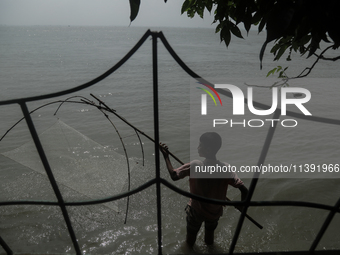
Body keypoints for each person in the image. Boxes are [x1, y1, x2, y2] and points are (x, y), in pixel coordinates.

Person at [159, 132, 248, 247]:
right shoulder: (226, 168)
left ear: (208, 149)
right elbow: (244, 190)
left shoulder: (196, 165)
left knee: (190, 241)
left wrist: (166, 156)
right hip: (214, 212)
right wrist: (241, 206)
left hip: (196, 211)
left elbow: (174, 176)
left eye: (200, 145)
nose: (198, 148)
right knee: (209, 241)